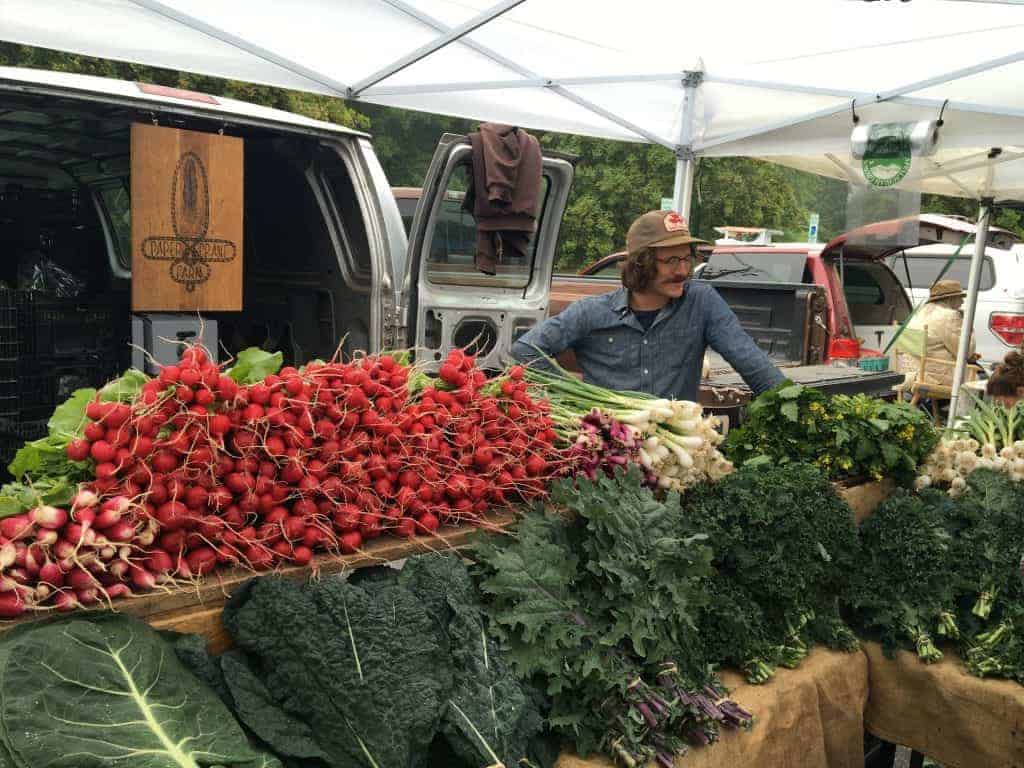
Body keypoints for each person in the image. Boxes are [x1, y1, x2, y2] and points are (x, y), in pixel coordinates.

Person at [511, 209, 785, 401]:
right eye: (670, 261)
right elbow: (523, 351)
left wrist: (793, 402)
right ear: (640, 264)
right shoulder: (591, 312)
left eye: (687, 258)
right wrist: (574, 393)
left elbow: (751, 362)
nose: (683, 270)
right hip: (608, 451)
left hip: (675, 455)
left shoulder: (702, 302)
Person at [894, 279, 977, 387]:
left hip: (909, 370)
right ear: (950, 298)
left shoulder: (919, 312)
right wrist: (969, 326)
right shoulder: (949, 315)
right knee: (977, 379)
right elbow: (965, 352)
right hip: (933, 375)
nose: (962, 301)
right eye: (960, 297)